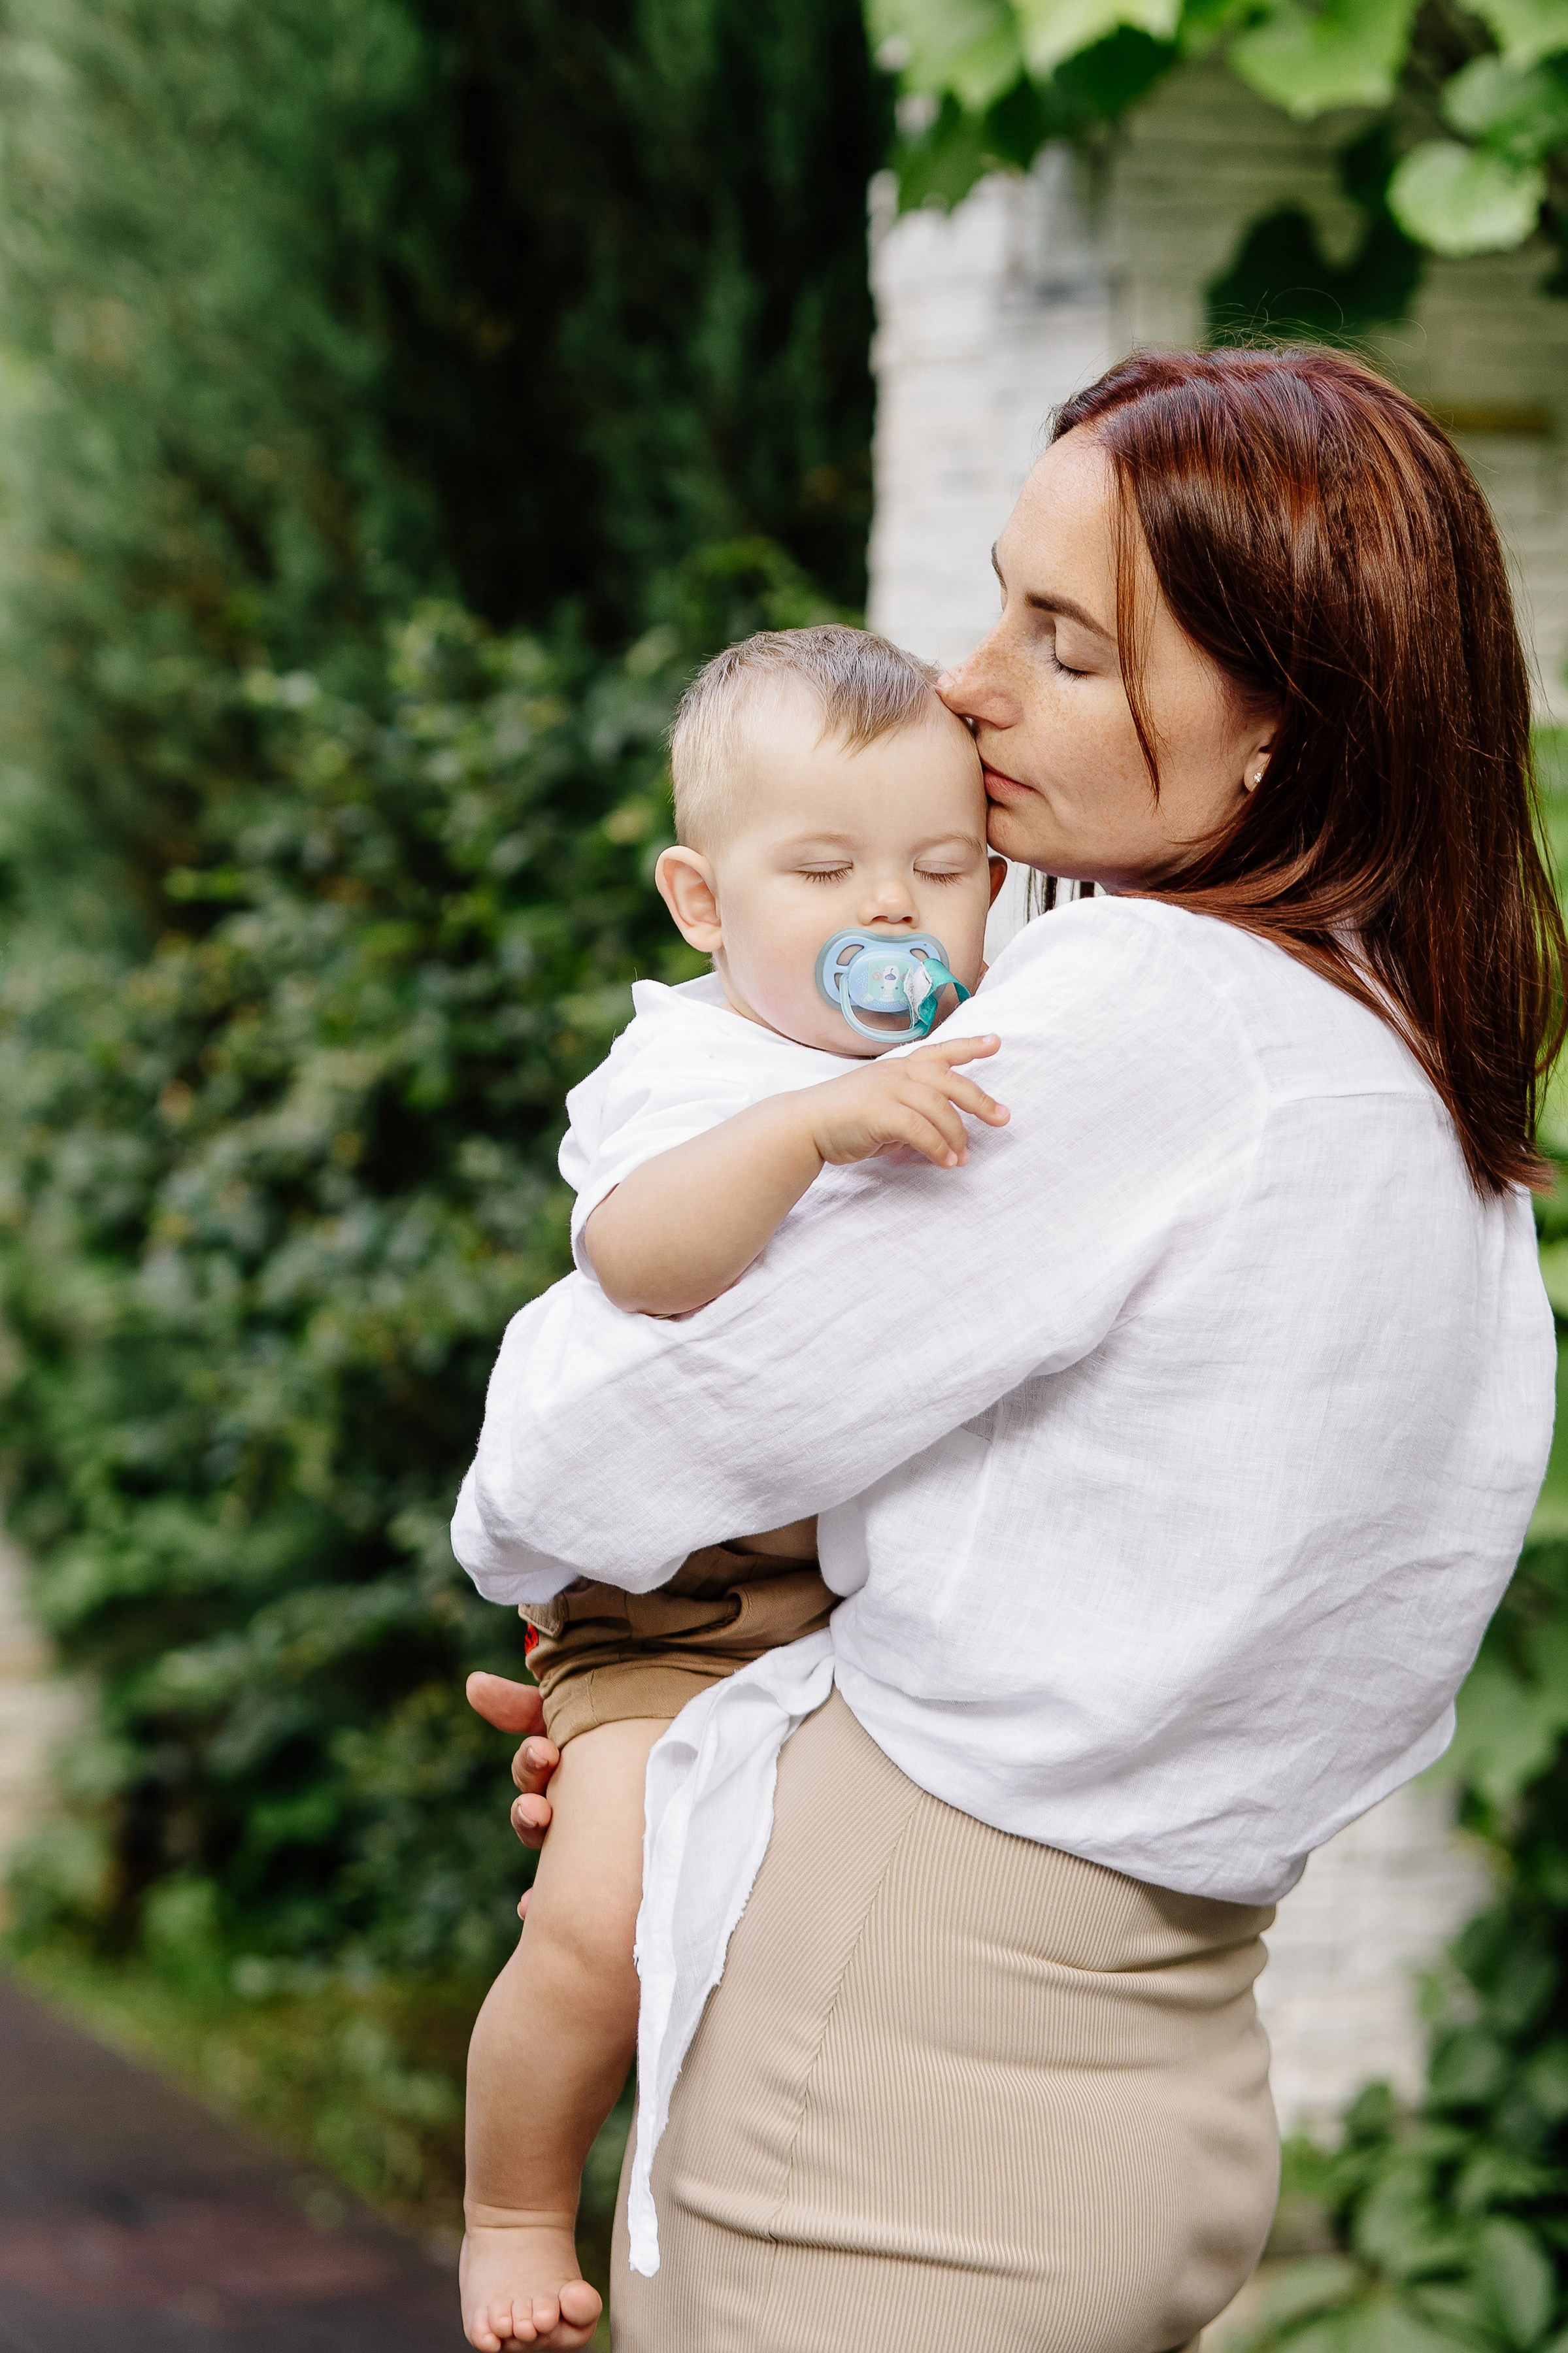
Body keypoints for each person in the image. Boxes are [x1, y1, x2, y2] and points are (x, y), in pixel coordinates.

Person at [458, 346, 1563, 2353]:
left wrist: (624, 1644)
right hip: (1169, 2067)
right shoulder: (1414, 1065)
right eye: (998, 608)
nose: (969, 688)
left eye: (1064, 645)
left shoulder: (1143, 1005)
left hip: (902, 2060)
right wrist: (706, 1755)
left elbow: (584, 1458)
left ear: (1277, 726)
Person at [455, 624, 1010, 2351]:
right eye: (825, 871)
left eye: (945, 868)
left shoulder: (989, 1049)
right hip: (674, 1609)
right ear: (702, 902)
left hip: (847, 1622)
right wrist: (812, 1131)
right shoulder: (688, 1069)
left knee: (798, 1951)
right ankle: (510, 2204)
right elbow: (640, 1259)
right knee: (603, 1913)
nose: (894, 909)